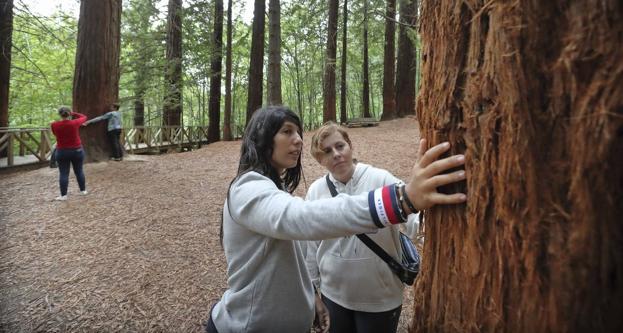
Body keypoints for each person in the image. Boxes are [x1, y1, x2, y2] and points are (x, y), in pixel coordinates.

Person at [207, 106, 466, 333]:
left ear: (351, 146)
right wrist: (402, 200)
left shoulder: (274, 190)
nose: (297, 139)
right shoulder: (248, 187)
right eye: (287, 131)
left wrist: (308, 299)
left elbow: (291, 259)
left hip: (379, 299)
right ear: (262, 137)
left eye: (298, 132)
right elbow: (301, 219)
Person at [304, 122, 422, 333]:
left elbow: (413, 218)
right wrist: (312, 291)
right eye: (327, 151)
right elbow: (311, 246)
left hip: (380, 299)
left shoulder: (380, 179)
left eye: (340, 146)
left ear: (350, 146)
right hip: (334, 297)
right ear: (320, 160)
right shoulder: (316, 192)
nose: (336, 154)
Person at [50, 106, 88, 201]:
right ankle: (83, 191)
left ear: (59, 114)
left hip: (62, 152)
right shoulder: (75, 123)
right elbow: (84, 117)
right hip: (77, 151)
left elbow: (55, 134)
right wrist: (73, 113)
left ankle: (63, 196)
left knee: (63, 173)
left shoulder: (54, 125)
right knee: (79, 171)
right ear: (69, 113)